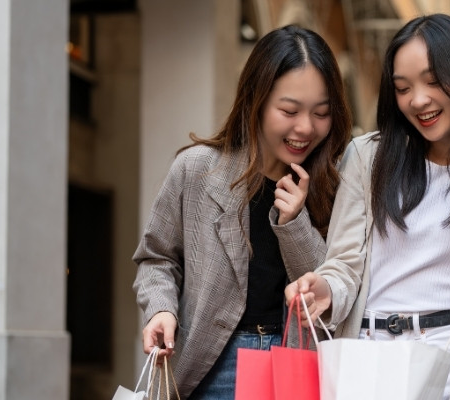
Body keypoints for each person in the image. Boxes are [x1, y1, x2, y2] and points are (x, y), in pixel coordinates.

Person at [285, 14, 450, 400]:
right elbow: (343, 264)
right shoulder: (368, 157)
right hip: (363, 358)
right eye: (403, 88)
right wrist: (326, 289)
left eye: (433, 81)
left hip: (446, 360)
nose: (418, 100)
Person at [132, 25, 351, 398]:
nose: (306, 127)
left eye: (321, 113)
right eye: (289, 110)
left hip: (296, 368)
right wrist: (161, 310)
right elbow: (156, 257)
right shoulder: (198, 170)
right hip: (212, 367)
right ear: (256, 99)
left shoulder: (334, 185)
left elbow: (329, 291)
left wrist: (294, 221)